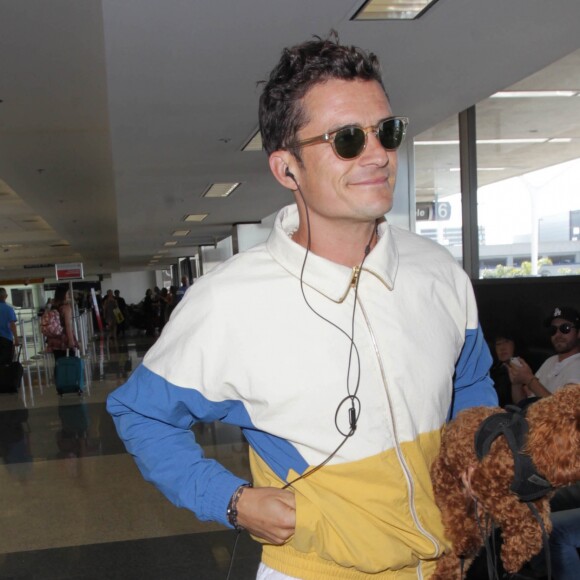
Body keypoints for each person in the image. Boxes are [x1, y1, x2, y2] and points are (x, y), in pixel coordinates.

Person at [107, 35, 496, 580]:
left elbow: (471, 381)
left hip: (445, 565)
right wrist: (232, 499)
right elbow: (140, 412)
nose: (378, 154)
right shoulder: (229, 302)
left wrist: (479, 460)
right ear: (286, 168)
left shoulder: (438, 272)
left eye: (387, 131)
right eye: (346, 140)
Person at [508, 306, 580, 402]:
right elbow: (521, 404)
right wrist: (516, 383)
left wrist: (530, 380)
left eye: (565, 328)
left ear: (579, 332)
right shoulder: (550, 361)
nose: (558, 335)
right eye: (553, 330)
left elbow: (564, 412)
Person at [46, 285, 78, 368]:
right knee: (71, 361)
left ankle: (59, 379)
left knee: (58, 362)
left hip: (54, 339)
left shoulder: (53, 306)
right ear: (63, 295)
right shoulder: (66, 308)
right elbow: (68, 325)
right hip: (64, 338)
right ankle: (70, 379)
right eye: (67, 293)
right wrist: (71, 340)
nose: (68, 295)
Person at [0, 288, 19, 365]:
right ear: (6, 296)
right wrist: (16, 339)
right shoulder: (9, 309)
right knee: (7, 362)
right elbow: (12, 325)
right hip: (6, 339)